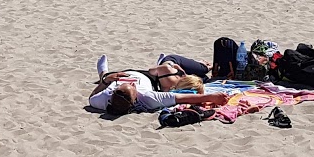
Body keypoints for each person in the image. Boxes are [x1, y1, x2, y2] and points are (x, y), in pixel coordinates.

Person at [88, 66, 229, 115]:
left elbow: (92, 95)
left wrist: (106, 81)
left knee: (106, 77)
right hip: (147, 77)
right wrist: (212, 97)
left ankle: (103, 72)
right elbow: (182, 98)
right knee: (166, 76)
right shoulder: (148, 97)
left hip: (121, 74)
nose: (133, 85)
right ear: (136, 97)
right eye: (133, 87)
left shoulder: (101, 100)